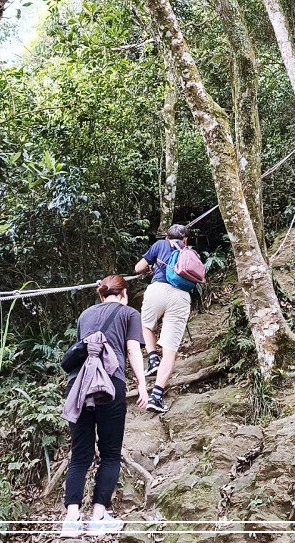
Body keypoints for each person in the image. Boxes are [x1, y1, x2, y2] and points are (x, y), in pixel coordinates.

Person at [61, 275, 149, 538]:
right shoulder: (129, 313)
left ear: (101, 295)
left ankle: (72, 519)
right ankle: (98, 517)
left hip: (78, 387)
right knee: (110, 454)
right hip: (110, 385)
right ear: (124, 294)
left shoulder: (84, 315)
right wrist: (142, 385)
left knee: (80, 455)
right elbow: (133, 350)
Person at [133, 224, 193, 413]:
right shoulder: (190, 252)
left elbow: (138, 268)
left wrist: (151, 265)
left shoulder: (160, 245)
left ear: (167, 237)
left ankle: (152, 360)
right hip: (181, 296)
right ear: (185, 240)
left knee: (146, 325)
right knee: (170, 350)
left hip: (157, 289)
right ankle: (156, 397)